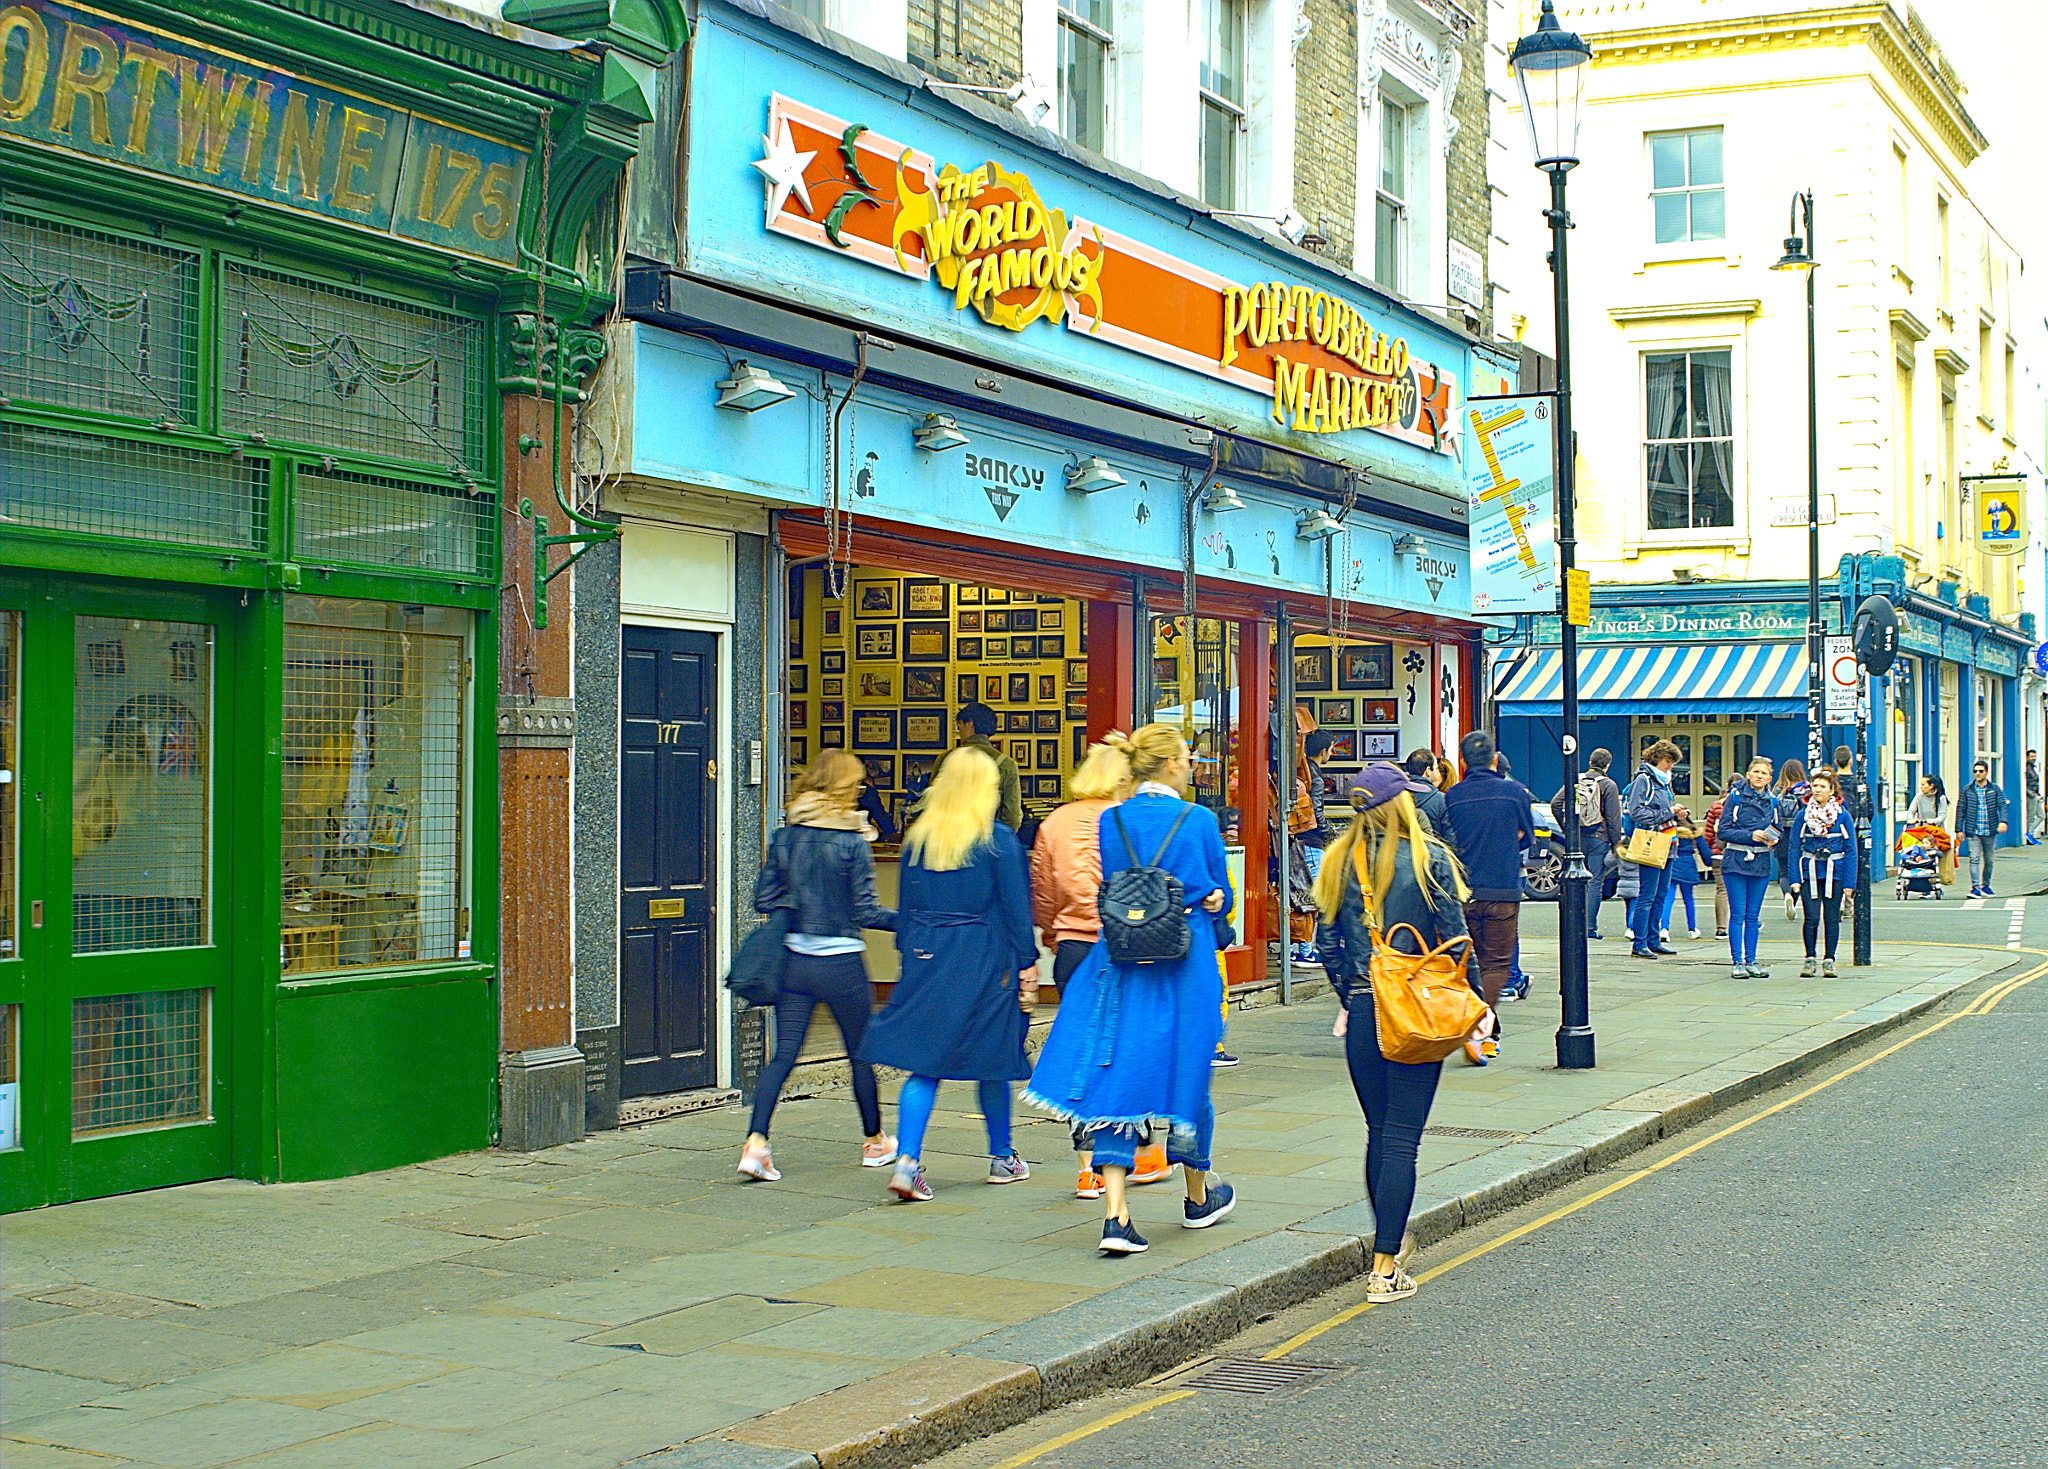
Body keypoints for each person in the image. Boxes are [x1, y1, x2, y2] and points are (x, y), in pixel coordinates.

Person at [1026, 723, 1238, 1256]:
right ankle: (1196, 1198)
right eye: (1187, 758)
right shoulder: (1200, 820)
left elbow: (1123, 883)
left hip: (1120, 958)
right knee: (1187, 1073)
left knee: (1115, 1071)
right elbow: (1218, 892)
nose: (1192, 765)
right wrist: (1213, 901)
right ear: (1168, 764)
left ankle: (1116, 1215)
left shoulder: (1112, 819)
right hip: (1185, 961)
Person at [1312, 762, 1486, 1305]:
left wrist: (1355, 996)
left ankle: (1386, 1247)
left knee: (1377, 1131)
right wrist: (1477, 1006)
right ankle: (1385, 1266)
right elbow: (1457, 941)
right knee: (1403, 1139)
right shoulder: (1430, 858)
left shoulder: (1336, 862)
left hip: (1366, 1010)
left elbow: (1328, 947)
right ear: (1401, 805)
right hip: (1414, 1008)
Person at [859, 748, 1036, 1201]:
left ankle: (908, 1161)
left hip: (926, 955)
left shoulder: (921, 839)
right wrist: (1027, 963)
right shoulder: (998, 841)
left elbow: (907, 910)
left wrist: (910, 959)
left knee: (925, 1062)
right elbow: (1018, 913)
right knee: (992, 1059)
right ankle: (1002, 1157)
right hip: (985, 958)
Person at [741, 751, 898, 1183]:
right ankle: (874, 1142)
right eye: (857, 784)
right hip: (843, 963)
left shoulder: (786, 836)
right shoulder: (852, 841)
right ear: (845, 788)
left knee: (784, 1056)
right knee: (860, 1053)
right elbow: (866, 911)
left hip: (795, 962)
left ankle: (756, 1143)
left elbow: (763, 900)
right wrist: (907, 922)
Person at [1030, 734, 1169, 1197]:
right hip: (1126, 943)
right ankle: (1142, 1152)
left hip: (1073, 948)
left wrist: (1054, 933)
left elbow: (1043, 893)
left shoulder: (1054, 822)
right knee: (1132, 1045)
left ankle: (1087, 1165)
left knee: (1082, 1052)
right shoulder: (1126, 819)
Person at [1442, 729, 1532, 1062]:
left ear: (1463, 760)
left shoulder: (1453, 795)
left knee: (1469, 961)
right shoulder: (1514, 792)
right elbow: (1527, 838)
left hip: (1464, 889)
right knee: (1497, 964)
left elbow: (1446, 839)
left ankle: (1488, 1033)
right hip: (1503, 888)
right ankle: (1478, 1027)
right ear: (1494, 758)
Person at [1717, 755, 1781, 979]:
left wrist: (1773, 838)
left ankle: (1751, 960)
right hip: (1736, 859)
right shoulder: (1734, 798)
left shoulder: (1773, 801)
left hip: (1761, 861)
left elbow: (1778, 828)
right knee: (1738, 914)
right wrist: (1749, 835)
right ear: (1748, 774)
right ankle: (1737, 962)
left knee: (1753, 915)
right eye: (1756, 772)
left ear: (1769, 778)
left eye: (1764, 773)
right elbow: (1722, 832)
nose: (1759, 776)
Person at [1791, 768, 1857, 977]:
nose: (1817, 790)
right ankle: (1809, 958)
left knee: (1831, 918)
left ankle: (1829, 959)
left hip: (1834, 872)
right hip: (1810, 872)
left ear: (1831, 790)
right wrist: (1794, 879)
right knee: (1810, 917)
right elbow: (1794, 847)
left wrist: (1849, 883)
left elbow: (1851, 850)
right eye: (1814, 786)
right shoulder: (1803, 815)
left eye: (1822, 786)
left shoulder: (1842, 815)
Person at [1552, 747, 1623, 939]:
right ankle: (1589, 928)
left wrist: (1568, 829)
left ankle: (1574, 926)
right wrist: (1617, 845)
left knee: (1575, 883)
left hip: (1577, 839)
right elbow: (1614, 819)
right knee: (1594, 883)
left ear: (1590, 762)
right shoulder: (1608, 785)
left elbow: (1556, 804)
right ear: (1607, 765)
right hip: (1599, 839)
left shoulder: (1576, 780)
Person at [1623, 741, 1683, 960]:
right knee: (1647, 895)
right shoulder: (1644, 780)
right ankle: (1639, 943)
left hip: (1668, 841)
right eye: (1668, 762)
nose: (1670, 767)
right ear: (1658, 758)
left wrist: (1676, 813)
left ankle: (1653, 940)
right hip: (1651, 841)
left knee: (1660, 895)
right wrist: (1667, 813)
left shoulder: (1664, 782)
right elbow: (1636, 812)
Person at [935, 702, 1022, 830]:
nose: (959, 733)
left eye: (960, 726)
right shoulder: (1006, 764)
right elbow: (1012, 816)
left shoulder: (945, 759)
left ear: (969, 723)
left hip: (948, 840)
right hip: (989, 841)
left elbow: (933, 805)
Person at [1956, 759, 2010, 897]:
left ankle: (1986, 886)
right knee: (1974, 858)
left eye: (1981, 771)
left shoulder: (1994, 789)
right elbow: (1961, 809)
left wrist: (2003, 821)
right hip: (1973, 830)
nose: (1978, 774)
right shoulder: (1967, 790)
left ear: (1986, 772)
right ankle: (1975, 887)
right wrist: (1958, 829)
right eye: (1975, 771)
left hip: (1990, 829)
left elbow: (2002, 806)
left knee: (1989, 859)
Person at [1659, 804, 1711, 941]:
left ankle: (1664, 928)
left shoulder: (1668, 830)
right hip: (1688, 866)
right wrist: (1710, 863)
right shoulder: (1693, 831)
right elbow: (1704, 851)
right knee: (1688, 899)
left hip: (1670, 864)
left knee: (1668, 898)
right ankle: (1692, 929)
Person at [1772, 759, 1810, 903]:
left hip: (1781, 834)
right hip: (1800, 834)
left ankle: (1787, 895)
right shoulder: (1806, 790)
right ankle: (1794, 897)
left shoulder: (1777, 790)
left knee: (1783, 871)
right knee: (1798, 868)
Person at [1402, 748, 1453, 845]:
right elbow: (1450, 839)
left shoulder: (1398, 796)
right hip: (1433, 855)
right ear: (1428, 771)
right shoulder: (1441, 800)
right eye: (1436, 768)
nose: (1437, 771)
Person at [2027, 750, 2042, 843]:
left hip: (2035, 794)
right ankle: (2029, 836)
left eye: (2035, 756)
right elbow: (2025, 784)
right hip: (2031, 795)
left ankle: (2029, 833)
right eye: (2032, 756)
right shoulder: (2026, 768)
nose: (2034, 758)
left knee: (2042, 816)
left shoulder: (2032, 768)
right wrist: (2031, 794)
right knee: (2031, 817)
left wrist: (2038, 794)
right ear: (2027, 757)